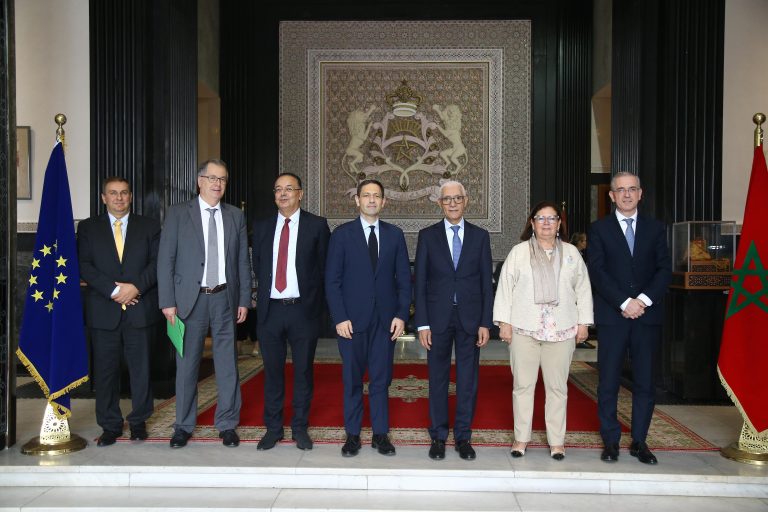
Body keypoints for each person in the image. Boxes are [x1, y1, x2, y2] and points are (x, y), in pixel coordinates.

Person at [157, 159, 251, 449]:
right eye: (212, 178)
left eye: (222, 179)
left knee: (227, 364)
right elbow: (165, 260)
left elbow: (242, 261)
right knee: (187, 365)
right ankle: (183, 426)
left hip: (225, 298)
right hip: (189, 300)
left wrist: (245, 299)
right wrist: (167, 301)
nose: (217, 184)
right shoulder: (178, 213)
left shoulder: (235, 215)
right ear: (200, 181)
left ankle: (227, 424)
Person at [493, 201, 593, 460]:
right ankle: (521, 438)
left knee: (557, 388)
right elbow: (505, 288)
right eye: (541, 218)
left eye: (552, 218)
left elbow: (583, 289)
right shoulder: (519, 252)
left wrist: (584, 322)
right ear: (532, 223)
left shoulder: (571, 253)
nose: (546, 223)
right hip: (524, 328)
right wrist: (504, 323)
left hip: (561, 329)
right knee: (523, 386)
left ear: (559, 224)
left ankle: (557, 441)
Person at [588, 171, 671, 465]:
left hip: (646, 317)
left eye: (632, 189)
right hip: (613, 316)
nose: (626, 194)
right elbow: (597, 271)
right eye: (621, 190)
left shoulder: (655, 228)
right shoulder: (599, 229)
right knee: (608, 381)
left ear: (640, 193)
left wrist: (643, 301)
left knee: (645, 382)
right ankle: (610, 441)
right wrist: (624, 302)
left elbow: (664, 269)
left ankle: (639, 441)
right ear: (612, 196)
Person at [325, 179, 411, 457]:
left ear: (384, 202)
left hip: (385, 322)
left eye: (376, 196)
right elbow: (332, 281)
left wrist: (401, 315)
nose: (371, 200)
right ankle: (352, 435)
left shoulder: (395, 235)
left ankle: (380, 434)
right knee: (352, 380)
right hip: (350, 322)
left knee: (381, 380)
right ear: (357, 200)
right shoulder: (342, 235)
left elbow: (404, 280)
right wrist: (339, 317)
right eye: (366, 195)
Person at [77, 176, 161, 447]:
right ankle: (110, 425)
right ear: (104, 198)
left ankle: (138, 423)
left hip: (140, 309)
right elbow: (84, 265)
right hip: (104, 311)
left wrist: (135, 288)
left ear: (131, 196)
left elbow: (157, 263)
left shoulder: (149, 226)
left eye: (124, 193)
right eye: (113, 193)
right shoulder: (88, 228)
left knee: (141, 371)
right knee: (105, 373)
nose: (119, 198)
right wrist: (114, 291)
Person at [414, 180, 493, 461]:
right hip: (437, 319)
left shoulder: (480, 236)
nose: (452, 203)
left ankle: (463, 437)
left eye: (457, 198)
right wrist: (422, 323)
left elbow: (486, 283)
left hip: (471, 318)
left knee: (467, 380)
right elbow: (420, 282)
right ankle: (438, 436)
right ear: (440, 203)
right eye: (447, 199)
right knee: (437, 378)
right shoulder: (427, 236)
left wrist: (485, 322)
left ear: (466, 200)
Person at [251, 172, 330, 451]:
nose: (283, 194)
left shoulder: (317, 226)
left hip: (302, 311)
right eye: (278, 189)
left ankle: (299, 428)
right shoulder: (262, 226)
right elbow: (258, 265)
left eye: (289, 189)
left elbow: (325, 269)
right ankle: (273, 429)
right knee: (272, 373)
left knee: (303, 372)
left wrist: (318, 308)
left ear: (300, 194)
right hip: (271, 311)